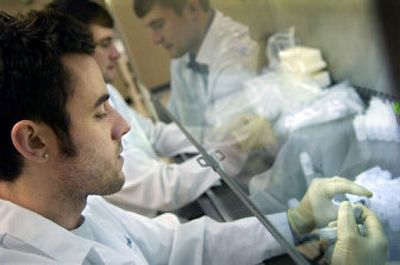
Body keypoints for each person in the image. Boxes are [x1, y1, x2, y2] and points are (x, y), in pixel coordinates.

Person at [0, 10, 388, 264]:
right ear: (34, 143)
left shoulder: (74, 206)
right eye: (100, 112)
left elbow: (175, 247)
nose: (123, 126)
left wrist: (294, 221)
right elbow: (163, 189)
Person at [47, 0, 221, 217]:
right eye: (104, 43)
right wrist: (225, 154)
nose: (116, 54)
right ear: (77, 51)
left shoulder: (109, 91)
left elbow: (154, 135)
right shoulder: (78, 121)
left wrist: (219, 134)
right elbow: (162, 189)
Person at [133, 0, 265, 143]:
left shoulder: (235, 55)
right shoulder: (181, 56)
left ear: (192, 9)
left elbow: (232, 143)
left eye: (158, 25)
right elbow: (178, 123)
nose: (155, 40)